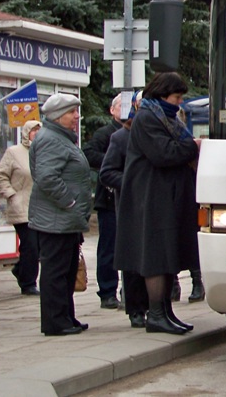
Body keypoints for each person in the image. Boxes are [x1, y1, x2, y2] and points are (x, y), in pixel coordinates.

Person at [115, 72, 201, 335]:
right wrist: (194, 147)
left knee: (166, 256)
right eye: (177, 97)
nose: (179, 102)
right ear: (164, 94)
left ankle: (165, 312)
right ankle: (155, 314)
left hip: (165, 197)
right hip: (150, 199)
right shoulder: (147, 117)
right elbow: (164, 154)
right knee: (155, 257)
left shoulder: (163, 116)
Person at [28, 93, 92, 336]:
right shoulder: (51, 139)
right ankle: (56, 322)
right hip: (55, 219)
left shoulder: (60, 138)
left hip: (65, 219)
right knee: (56, 271)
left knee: (66, 271)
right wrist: (70, 202)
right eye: (71, 112)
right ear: (56, 116)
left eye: (76, 111)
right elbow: (46, 177)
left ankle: (66, 317)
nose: (76, 116)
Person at [99, 92, 149, 327]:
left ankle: (158, 307)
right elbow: (107, 173)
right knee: (132, 260)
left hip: (156, 207)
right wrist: (132, 182)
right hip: (131, 207)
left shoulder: (156, 134)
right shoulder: (121, 137)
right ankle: (136, 309)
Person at [82, 94, 123, 309]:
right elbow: (88, 154)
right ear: (112, 110)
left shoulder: (136, 131)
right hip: (109, 199)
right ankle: (107, 291)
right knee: (109, 247)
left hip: (130, 200)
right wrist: (111, 159)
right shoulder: (106, 133)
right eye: (120, 107)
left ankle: (129, 290)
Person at [0, 119, 42, 296]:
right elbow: (1, 176)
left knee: (39, 245)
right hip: (21, 206)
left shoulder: (43, 152)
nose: (36, 134)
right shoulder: (14, 152)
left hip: (40, 207)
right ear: (26, 133)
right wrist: (11, 194)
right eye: (33, 130)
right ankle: (28, 283)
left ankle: (20, 269)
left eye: (39, 130)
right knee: (30, 246)